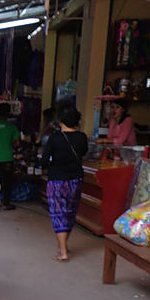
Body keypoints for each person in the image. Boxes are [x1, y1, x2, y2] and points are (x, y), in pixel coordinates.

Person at [41, 103, 88, 262]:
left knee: (58, 213)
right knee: (69, 213)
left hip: (57, 181)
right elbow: (84, 152)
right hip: (76, 180)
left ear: (60, 120)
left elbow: (44, 160)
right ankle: (64, 245)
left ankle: (63, 252)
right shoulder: (82, 137)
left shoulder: (54, 138)